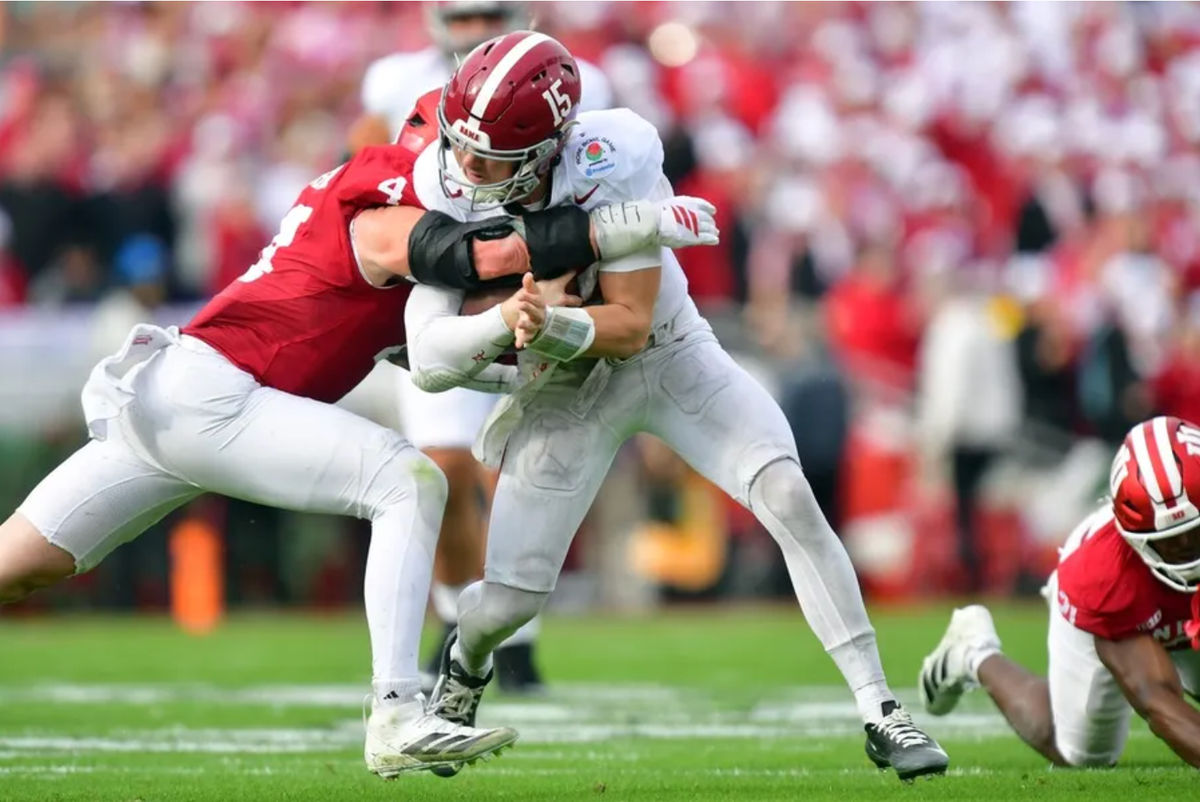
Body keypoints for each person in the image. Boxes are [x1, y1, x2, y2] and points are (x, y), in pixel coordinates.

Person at [0, 113, 718, 776]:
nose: (482, 175)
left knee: (18, 566)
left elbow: (440, 353)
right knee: (409, 480)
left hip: (183, 399)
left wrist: (539, 336)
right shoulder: (374, 201)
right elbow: (476, 256)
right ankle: (399, 711)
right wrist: (629, 224)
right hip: (210, 397)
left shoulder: (395, 234)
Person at [400, 30, 949, 781]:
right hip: (563, 393)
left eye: (489, 155)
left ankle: (880, 707)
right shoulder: (444, 172)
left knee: (787, 492)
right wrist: (499, 324)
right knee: (507, 602)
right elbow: (427, 356)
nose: (466, 167)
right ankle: (466, 665)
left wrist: (543, 321)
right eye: (462, 145)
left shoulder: (612, 155)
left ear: (546, 149)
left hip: (667, 354)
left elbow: (626, 327)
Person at [352, 0, 614, 692]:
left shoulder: (574, 79)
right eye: (462, 16)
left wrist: (554, 287)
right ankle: (453, 616)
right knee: (438, 468)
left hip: (531, 283)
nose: (473, 30)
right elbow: (373, 179)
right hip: (440, 287)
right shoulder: (395, 82)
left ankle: (513, 635)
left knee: (514, 472)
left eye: (488, 14)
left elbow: (594, 193)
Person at [919, 415, 1200, 768]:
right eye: (1171, 545)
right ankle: (974, 653)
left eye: (1196, 533)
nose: (1189, 553)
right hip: (1127, 610)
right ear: (1135, 538)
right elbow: (1158, 702)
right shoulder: (1105, 574)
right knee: (1083, 754)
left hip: (1167, 603)